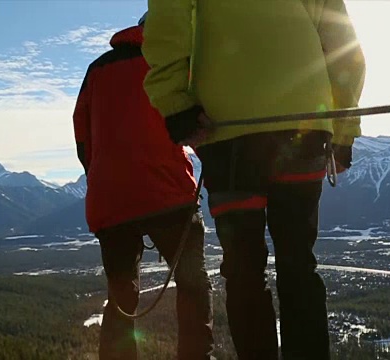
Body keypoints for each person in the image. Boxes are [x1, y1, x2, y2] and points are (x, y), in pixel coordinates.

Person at [142, 0, 365, 358]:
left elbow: (168, 18)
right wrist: (343, 130)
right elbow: (344, 45)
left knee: (244, 269)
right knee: (299, 264)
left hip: (230, 129)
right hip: (304, 124)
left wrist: (174, 102)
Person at [73, 13, 214, 360]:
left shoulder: (96, 70)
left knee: (121, 295)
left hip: (111, 199)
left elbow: (81, 135)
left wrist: (103, 175)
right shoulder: (171, 63)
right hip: (169, 193)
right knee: (193, 282)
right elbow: (197, 124)